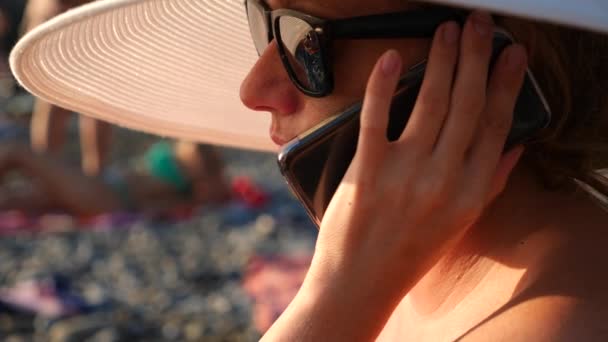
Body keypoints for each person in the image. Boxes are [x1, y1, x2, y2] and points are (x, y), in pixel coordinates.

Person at [8, 0, 608, 340]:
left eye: (303, 42)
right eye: (259, 21)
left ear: (491, 63)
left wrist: (333, 300)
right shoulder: (402, 275)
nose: (253, 87)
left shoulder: (563, 323)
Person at [0, 141, 232, 216]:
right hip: (104, 189)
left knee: (17, 153)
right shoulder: (191, 150)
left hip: (108, 195)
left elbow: (164, 206)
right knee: (19, 202)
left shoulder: (196, 173)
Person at [22, 0, 111, 177]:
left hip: (91, 15)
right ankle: (47, 177)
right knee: (53, 99)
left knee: (97, 101)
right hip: (58, 14)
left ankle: (94, 176)